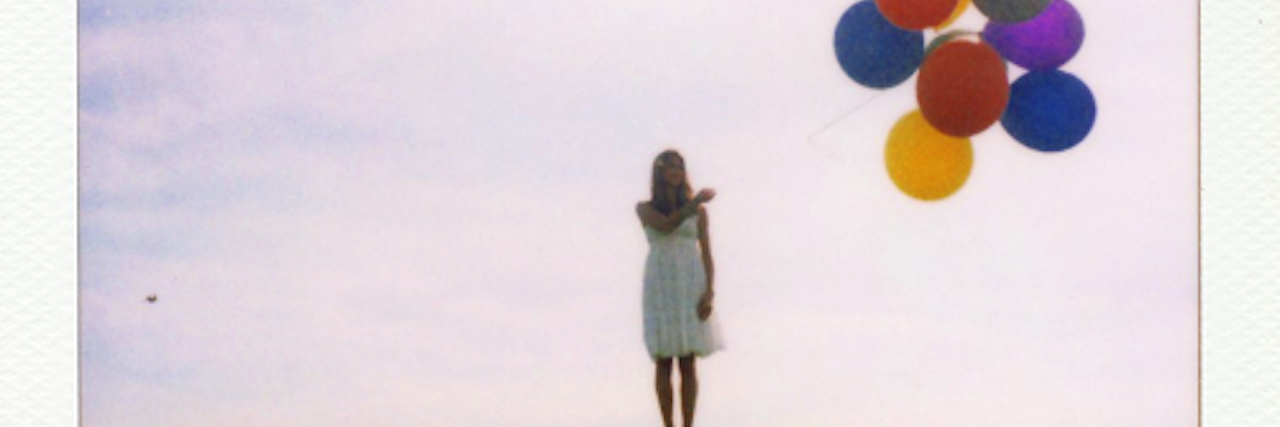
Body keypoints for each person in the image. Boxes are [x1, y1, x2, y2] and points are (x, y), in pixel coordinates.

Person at [635, 149, 724, 427]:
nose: (675, 171)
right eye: (670, 167)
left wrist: (709, 292)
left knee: (687, 359)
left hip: (689, 280)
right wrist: (694, 201)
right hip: (661, 281)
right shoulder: (645, 208)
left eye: (679, 166)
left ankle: (688, 424)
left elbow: (707, 252)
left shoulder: (698, 212)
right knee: (663, 358)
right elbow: (665, 226)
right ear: (660, 173)